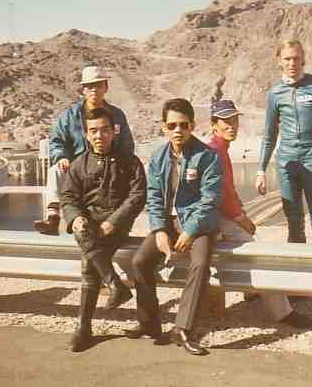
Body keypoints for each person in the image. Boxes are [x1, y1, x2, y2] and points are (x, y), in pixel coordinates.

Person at [126, 98, 222, 356]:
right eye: (172, 125)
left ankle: (183, 329)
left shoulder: (207, 156)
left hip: (198, 225)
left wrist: (190, 230)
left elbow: (210, 199)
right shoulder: (158, 156)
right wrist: (159, 230)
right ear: (164, 127)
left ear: (192, 125)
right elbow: (154, 196)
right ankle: (149, 323)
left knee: (200, 264)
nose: (178, 130)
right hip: (167, 224)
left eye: (183, 125)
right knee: (139, 262)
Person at [208, 99, 312, 328]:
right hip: (217, 217)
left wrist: (240, 211)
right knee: (259, 255)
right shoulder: (216, 151)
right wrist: (241, 218)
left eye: (234, 120)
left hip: (217, 216)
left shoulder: (218, 148)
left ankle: (251, 292)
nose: (232, 126)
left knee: (246, 245)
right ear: (214, 125)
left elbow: (228, 190)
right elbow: (222, 194)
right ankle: (283, 312)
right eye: (226, 121)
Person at [60, 107, 146, 352]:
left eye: (105, 130)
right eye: (94, 131)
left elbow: (137, 196)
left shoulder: (130, 161)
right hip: (90, 224)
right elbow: (68, 197)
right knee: (82, 233)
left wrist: (113, 222)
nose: (100, 136)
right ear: (86, 134)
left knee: (88, 261)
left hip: (117, 224)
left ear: (114, 131)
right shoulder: (79, 164)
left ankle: (83, 328)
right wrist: (76, 217)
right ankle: (114, 285)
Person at [256, 39, 312, 246]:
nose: (292, 63)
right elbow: (269, 135)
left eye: (296, 58)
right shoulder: (275, 93)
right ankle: (299, 266)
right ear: (279, 61)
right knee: (294, 223)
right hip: (286, 162)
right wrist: (261, 170)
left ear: (303, 59)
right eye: (287, 59)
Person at [34, 64, 134, 235]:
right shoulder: (70, 116)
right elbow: (57, 142)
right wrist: (61, 157)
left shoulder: (117, 115)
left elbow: (127, 144)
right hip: (79, 169)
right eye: (89, 86)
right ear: (83, 90)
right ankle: (53, 217)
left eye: (98, 85)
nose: (94, 89)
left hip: (109, 168)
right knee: (55, 170)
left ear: (106, 87)